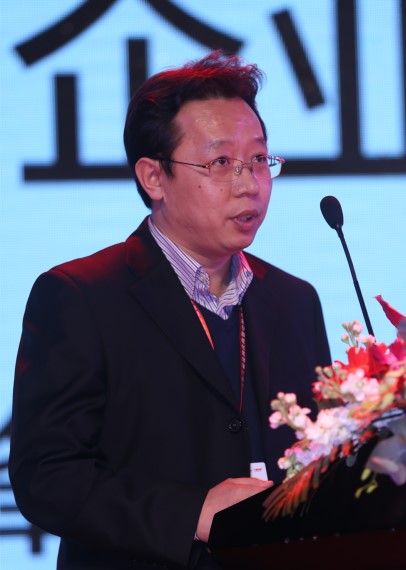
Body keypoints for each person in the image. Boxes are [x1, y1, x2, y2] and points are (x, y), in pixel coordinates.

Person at [9, 51, 331, 569]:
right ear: (153, 177)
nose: (249, 183)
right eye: (220, 163)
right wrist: (191, 514)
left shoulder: (295, 300)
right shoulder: (81, 296)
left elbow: (319, 456)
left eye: (258, 160)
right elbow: (48, 476)